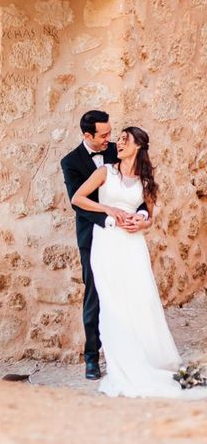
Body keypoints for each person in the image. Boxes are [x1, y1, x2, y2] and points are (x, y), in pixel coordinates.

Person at [72, 127, 207, 399]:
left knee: (141, 301)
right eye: (118, 139)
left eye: (125, 139)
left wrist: (140, 222)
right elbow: (78, 198)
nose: (118, 143)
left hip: (133, 246)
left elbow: (149, 217)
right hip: (107, 242)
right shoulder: (105, 173)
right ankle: (122, 363)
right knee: (112, 303)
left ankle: (149, 358)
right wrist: (108, 208)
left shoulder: (147, 181)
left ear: (138, 147)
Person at [61, 111, 150, 380]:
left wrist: (142, 215)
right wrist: (111, 216)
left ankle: (131, 353)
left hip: (127, 236)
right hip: (93, 236)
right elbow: (78, 203)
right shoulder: (71, 162)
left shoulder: (117, 151)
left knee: (131, 293)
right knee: (94, 295)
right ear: (87, 135)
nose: (109, 140)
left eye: (111, 133)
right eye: (103, 135)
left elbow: (139, 188)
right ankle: (91, 358)